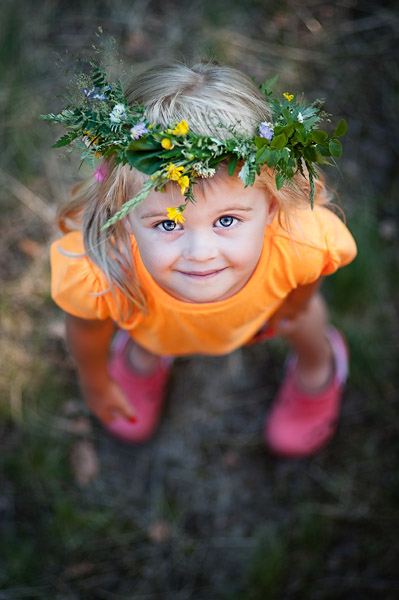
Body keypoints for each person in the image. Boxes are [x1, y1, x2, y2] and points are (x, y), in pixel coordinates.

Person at [49, 61, 356, 457]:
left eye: (226, 220)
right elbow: (87, 330)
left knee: (303, 319)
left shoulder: (299, 244)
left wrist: (291, 307)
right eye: (167, 224)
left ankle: (318, 365)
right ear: (122, 215)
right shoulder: (105, 270)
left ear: (273, 206)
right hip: (156, 318)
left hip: (269, 309)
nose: (199, 253)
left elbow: (311, 277)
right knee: (153, 324)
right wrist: (95, 381)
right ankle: (147, 350)